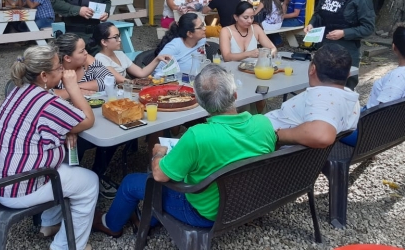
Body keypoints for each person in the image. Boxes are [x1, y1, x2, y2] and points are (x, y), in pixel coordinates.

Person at [91, 64, 277, 237]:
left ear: (200, 103)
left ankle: (110, 224)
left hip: (205, 213)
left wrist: (158, 153)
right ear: (235, 95)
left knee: (131, 182)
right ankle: (146, 219)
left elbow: (160, 176)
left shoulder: (197, 136)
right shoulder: (263, 123)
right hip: (251, 201)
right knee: (182, 171)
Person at [0, 45, 97, 250]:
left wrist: (66, 129)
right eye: (59, 68)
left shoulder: (18, 89)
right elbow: (87, 120)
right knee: (90, 182)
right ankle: (65, 246)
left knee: (65, 163)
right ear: (44, 75)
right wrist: (73, 88)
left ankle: (50, 224)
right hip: (18, 188)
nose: (63, 71)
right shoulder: (47, 102)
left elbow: (47, 125)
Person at [341, 25, 405, 146]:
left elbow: (380, 116)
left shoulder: (399, 76)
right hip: (401, 129)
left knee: (325, 123)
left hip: (369, 136)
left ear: (394, 47)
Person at [53, 33, 119, 199]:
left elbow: (109, 79)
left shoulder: (86, 60)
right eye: (81, 51)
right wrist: (73, 91)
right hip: (68, 123)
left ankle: (98, 173)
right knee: (74, 142)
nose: (86, 53)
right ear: (67, 58)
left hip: (93, 114)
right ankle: (70, 186)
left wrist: (75, 87)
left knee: (113, 133)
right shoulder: (54, 70)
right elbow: (49, 94)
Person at [266, 44, 360, 148]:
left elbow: (321, 136)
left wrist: (276, 135)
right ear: (348, 74)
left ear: (312, 69)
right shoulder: (350, 98)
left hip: (263, 141)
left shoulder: (325, 97)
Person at [305, 0, 375, 89]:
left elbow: (368, 27)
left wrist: (344, 33)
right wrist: (311, 24)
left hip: (346, 52)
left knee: (345, 90)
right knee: (320, 87)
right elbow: (319, 14)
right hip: (324, 49)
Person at [94, 22, 171, 82]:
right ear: (104, 42)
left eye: (119, 36)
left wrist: (157, 59)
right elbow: (120, 79)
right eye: (115, 37)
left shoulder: (120, 54)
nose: (120, 40)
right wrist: (139, 83)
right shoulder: (100, 58)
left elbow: (141, 73)